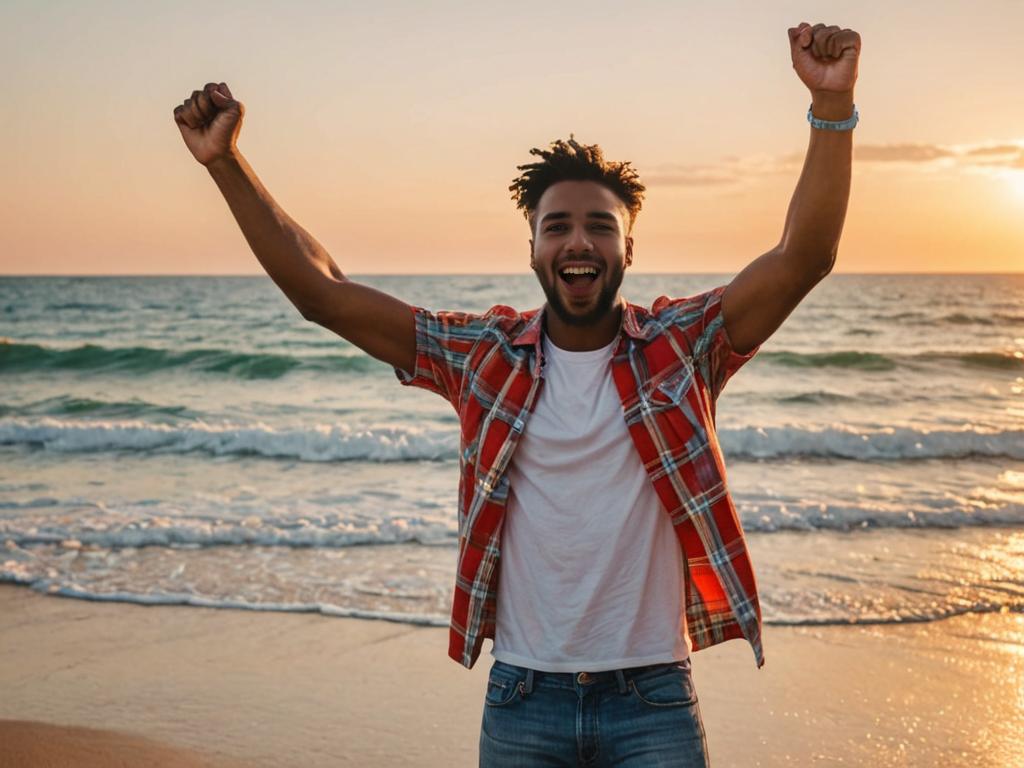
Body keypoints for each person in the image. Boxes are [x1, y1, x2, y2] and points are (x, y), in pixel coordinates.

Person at [173, 20, 859, 767]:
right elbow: (325, 294)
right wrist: (225, 164)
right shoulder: (483, 358)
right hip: (523, 701)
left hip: (654, 700)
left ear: (628, 249)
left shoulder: (680, 347)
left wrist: (832, 106)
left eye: (600, 227)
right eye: (556, 226)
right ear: (531, 247)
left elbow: (803, 258)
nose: (577, 243)